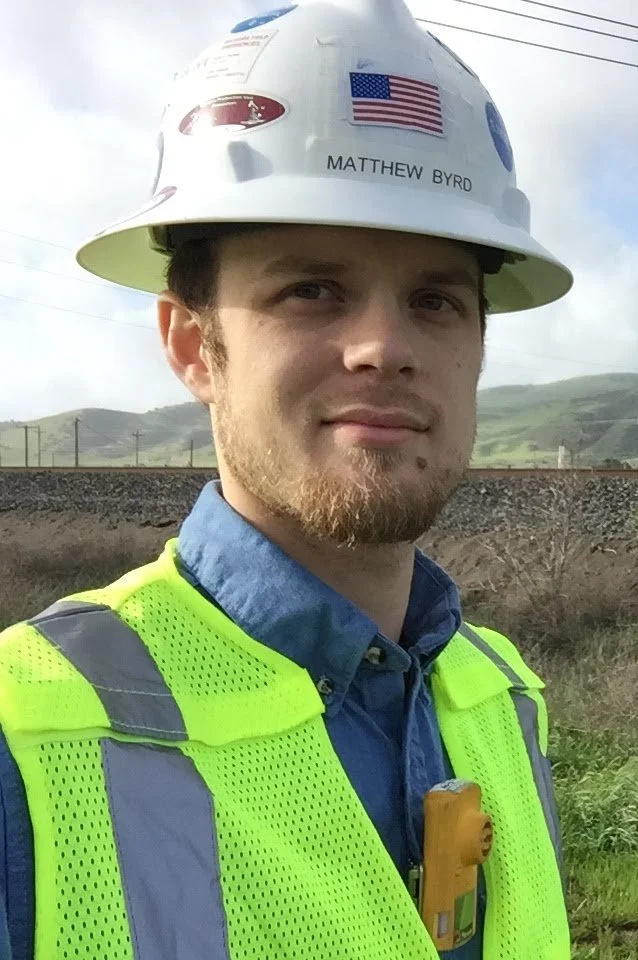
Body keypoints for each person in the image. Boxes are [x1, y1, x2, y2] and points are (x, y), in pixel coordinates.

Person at [0, 1, 575, 957]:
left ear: (477, 350)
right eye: (312, 290)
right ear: (194, 345)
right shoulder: (27, 739)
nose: (384, 348)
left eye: (435, 300)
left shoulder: (503, 696)